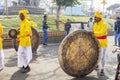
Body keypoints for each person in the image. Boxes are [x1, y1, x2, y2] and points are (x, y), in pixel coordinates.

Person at [93, 12, 108, 76]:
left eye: (96, 17)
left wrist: (94, 33)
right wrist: (95, 33)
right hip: (96, 42)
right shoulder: (95, 24)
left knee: (102, 57)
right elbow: (95, 32)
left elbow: (101, 33)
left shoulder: (104, 24)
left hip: (103, 42)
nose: (94, 18)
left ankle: (102, 69)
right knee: (96, 55)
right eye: (94, 17)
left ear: (99, 18)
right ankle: (97, 64)